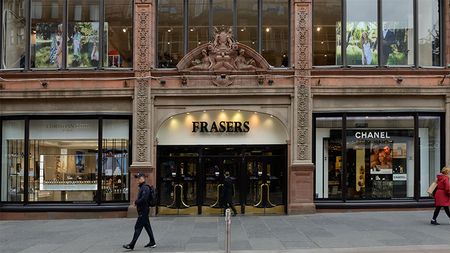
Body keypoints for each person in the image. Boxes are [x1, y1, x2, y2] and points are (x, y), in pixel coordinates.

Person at [123, 172, 156, 250]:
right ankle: (152, 242)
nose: (137, 180)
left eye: (139, 178)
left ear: (142, 178)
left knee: (138, 227)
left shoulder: (145, 188)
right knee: (147, 226)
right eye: (137, 178)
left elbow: (144, 199)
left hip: (143, 211)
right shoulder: (142, 187)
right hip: (143, 210)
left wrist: (136, 202)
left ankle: (131, 245)